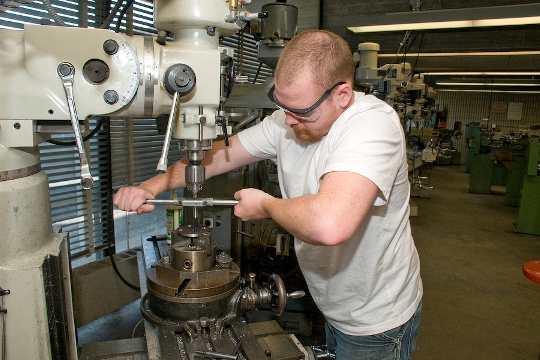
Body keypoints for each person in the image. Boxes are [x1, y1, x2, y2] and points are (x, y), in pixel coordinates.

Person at [114, 29, 423, 359]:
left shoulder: (372, 126)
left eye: (301, 111)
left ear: (342, 94)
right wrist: (151, 186)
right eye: (281, 104)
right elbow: (217, 157)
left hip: (377, 321)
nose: (288, 120)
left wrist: (265, 205)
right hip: (335, 307)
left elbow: (329, 225)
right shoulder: (286, 120)